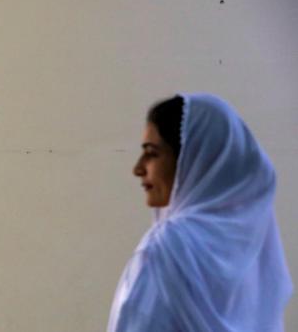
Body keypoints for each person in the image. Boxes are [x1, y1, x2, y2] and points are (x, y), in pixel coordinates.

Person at [107, 94, 293, 331]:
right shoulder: (255, 250)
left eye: (152, 153)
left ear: (192, 158)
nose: (138, 168)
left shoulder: (169, 245)